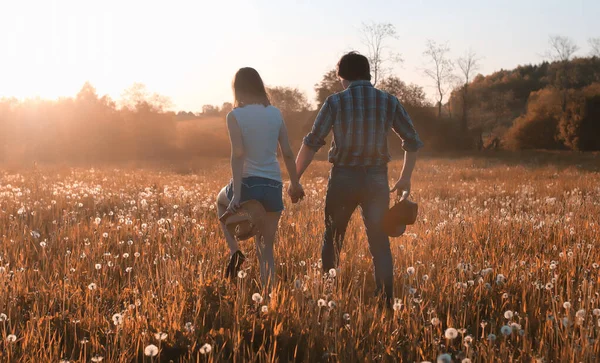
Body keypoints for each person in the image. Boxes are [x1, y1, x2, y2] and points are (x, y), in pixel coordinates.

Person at [292, 52, 424, 305]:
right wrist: (405, 177)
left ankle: (328, 296)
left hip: (343, 177)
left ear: (342, 76)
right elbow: (412, 142)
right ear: (368, 74)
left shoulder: (335, 102)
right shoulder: (388, 101)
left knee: (333, 238)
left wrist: (295, 179)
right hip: (376, 179)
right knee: (379, 240)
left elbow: (312, 143)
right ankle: (386, 299)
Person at [217, 67, 304, 289]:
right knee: (266, 250)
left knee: (220, 201)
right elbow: (287, 151)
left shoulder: (234, 115)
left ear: (238, 89)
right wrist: (295, 183)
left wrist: (236, 194)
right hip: (273, 185)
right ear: (259, 86)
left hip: (248, 184)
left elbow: (238, 154)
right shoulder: (275, 113)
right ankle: (270, 302)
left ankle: (235, 251)